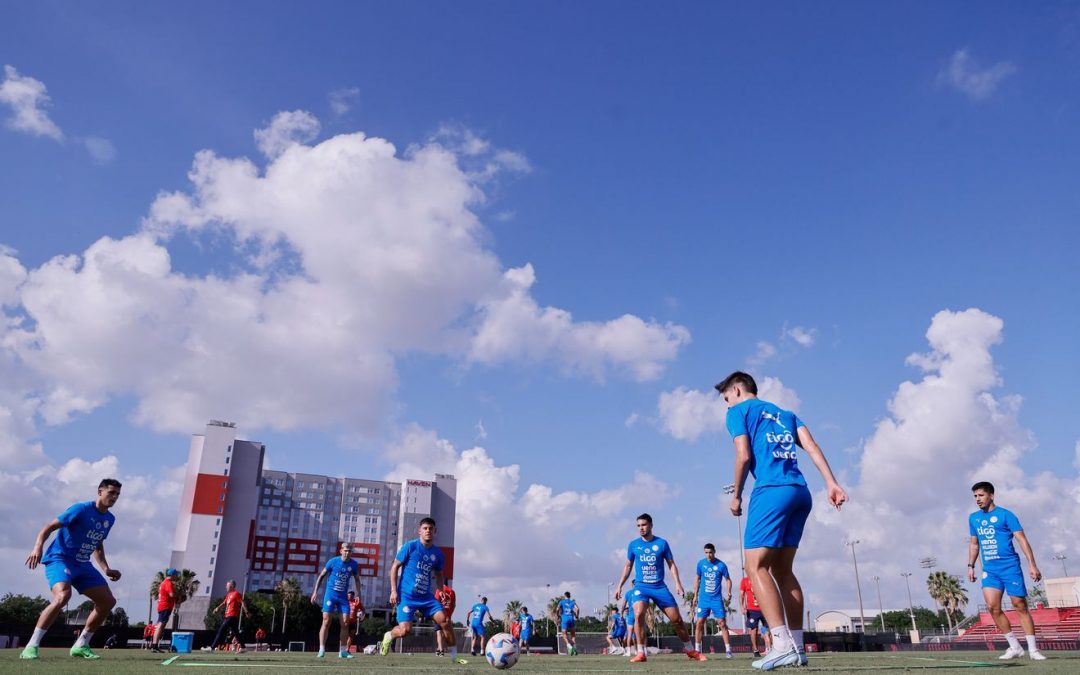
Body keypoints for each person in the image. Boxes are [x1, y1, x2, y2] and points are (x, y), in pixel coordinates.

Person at [718, 371, 847, 670]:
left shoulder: (738, 412)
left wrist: (736, 494)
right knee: (783, 569)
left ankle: (780, 644)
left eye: (725, 398)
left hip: (771, 490)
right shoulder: (786, 413)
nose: (726, 406)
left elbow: (744, 456)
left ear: (737, 390)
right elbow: (812, 447)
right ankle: (798, 648)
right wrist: (832, 483)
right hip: (800, 492)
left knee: (755, 566)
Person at [21, 478, 123, 661]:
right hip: (60, 559)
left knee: (108, 602)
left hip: (83, 564)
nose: (114, 497)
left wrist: (106, 568)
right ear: (100, 492)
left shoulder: (110, 519)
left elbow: (97, 545)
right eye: (111, 493)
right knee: (62, 596)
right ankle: (31, 646)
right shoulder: (81, 509)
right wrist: (37, 547)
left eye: (117, 494)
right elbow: (48, 527)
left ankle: (81, 645)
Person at [968, 481, 1046, 661]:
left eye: (981, 495)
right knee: (992, 607)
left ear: (991, 495)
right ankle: (1014, 647)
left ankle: (1033, 650)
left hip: (1010, 568)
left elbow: (1022, 540)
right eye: (975, 496)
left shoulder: (1006, 515)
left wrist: (1032, 564)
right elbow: (974, 544)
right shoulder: (974, 518)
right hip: (990, 570)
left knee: (1020, 605)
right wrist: (970, 566)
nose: (977, 499)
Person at [615, 512, 703, 663]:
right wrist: (619, 586)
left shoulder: (662, 543)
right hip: (641, 586)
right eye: (638, 526)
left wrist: (677, 583)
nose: (641, 528)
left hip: (659, 587)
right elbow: (628, 566)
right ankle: (641, 652)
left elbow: (671, 564)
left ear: (651, 525)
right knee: (638, 614)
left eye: (643, 525)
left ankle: (690, 649)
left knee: (677, 620)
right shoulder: (634, 545)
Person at [381, 517, 466, 664]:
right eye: (425, 528)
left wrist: (442, 591)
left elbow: (439, 574)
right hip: (407, 597)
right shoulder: (410, 547)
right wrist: (393, 591)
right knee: (405, 631)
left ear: (435, 531)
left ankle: (454, 657)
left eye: (431, 529)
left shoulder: (438, 554)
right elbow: (395, 567)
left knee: (445, 620)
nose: (428, 531)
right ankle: (389, 635)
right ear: (420, 531)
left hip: (426, 598)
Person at [310, 542, 363, 659]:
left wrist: (359, 593)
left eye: (350, 551)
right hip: (330, 595)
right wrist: (315, 592)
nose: (348, 552)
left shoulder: (354, 564)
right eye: (346, 550)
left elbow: (357, 580)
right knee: (326, 621)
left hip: (343, 597)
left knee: (345, 623)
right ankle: (322, 649)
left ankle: (343, 651)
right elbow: (321, 576)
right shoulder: (333, 561)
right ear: (341, 551)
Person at [693, 543, 733, 658]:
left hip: (716, 599)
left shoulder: (721, 565)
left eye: (710, 552)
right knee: (699, 623)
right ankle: (697, 650)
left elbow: (728, 579)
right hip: (704, 599)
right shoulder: (701, 564)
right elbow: (697, 579)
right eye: (706, 552)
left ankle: (728, 651)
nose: (708, 555)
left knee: (722, 623)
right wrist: (695, 595)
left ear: (714, 552)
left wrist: (729, 591)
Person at [206, 580, 248, 651]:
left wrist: (246, 612)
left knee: (221, 630)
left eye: (227, 586)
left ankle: (212, 648)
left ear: (231, 586)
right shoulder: (229, 595)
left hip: (232, 616)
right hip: (228, 616)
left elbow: (242, 602)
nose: (226, 587)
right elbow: (224, 602)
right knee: (236, 633)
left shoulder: (236, 594)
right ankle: (243, 648)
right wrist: (217, 608)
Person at [740, 572, 771, 656]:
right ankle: (755, 650)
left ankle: (768, 649)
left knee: (766, 629)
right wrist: (742, 607)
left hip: (764, 609)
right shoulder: (745, 580)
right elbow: (741, 595)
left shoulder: (762, 578)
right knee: (754, 629)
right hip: (752, 610)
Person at [150, 568, 179, 653]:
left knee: (160, 625)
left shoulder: (164, 582)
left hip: (163, 606)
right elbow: (171, 594)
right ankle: (154, 645)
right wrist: (179, 595)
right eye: (176, 574)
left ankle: (154, 646)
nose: (176, 576)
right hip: (165, 606)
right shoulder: (168, 583)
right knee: (161, 625)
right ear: (172, 575)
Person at [435, 581, 456, 656]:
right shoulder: (452, 592)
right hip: (447, 616)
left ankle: (441, 650)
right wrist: (449, 615)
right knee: (444, 633)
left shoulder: (438, 590)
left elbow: (436, 603)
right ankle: (438, 649)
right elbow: (453, 605)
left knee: (439, 632)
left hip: (439, 614)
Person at [557, 591, 580, 655]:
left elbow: (557, 609)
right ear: (570, 596)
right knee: (573, 635)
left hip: (565, 619)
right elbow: (577, 609)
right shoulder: (573, 602)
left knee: (564, 634)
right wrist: (577, 616)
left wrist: (558, 615)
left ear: (565, 596)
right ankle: (574, 648)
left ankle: (569, 646)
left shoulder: (562, 602)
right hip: (571, 619)